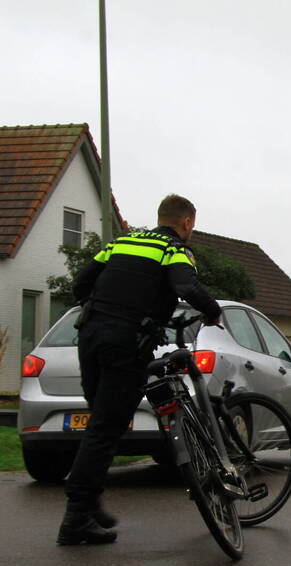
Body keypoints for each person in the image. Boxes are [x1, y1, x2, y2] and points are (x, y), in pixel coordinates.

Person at [57, 194, 222, 546]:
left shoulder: (121, 242)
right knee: (106, 426)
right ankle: (75, 518)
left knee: (102, 422)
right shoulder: (173, 249)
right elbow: (185, 286)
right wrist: (212, 310)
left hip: (89, 336)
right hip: (125, 343)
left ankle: (90, 503)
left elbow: (80, 285)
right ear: (187, 223)